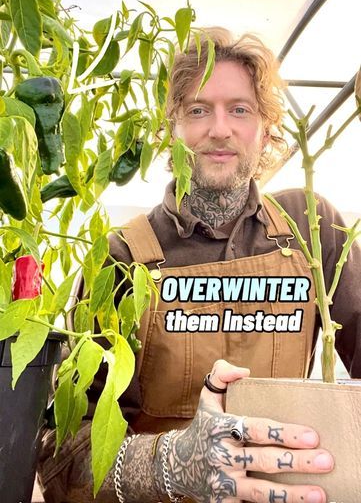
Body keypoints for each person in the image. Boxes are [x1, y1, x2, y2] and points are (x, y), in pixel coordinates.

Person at [38, 28, 361, 502]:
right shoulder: (120, 257)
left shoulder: (312, 228)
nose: (219, 128)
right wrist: (171, 463)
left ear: (266, 128)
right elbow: (61, 453)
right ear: (169, 129)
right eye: (196, 110)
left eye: (240, 109)